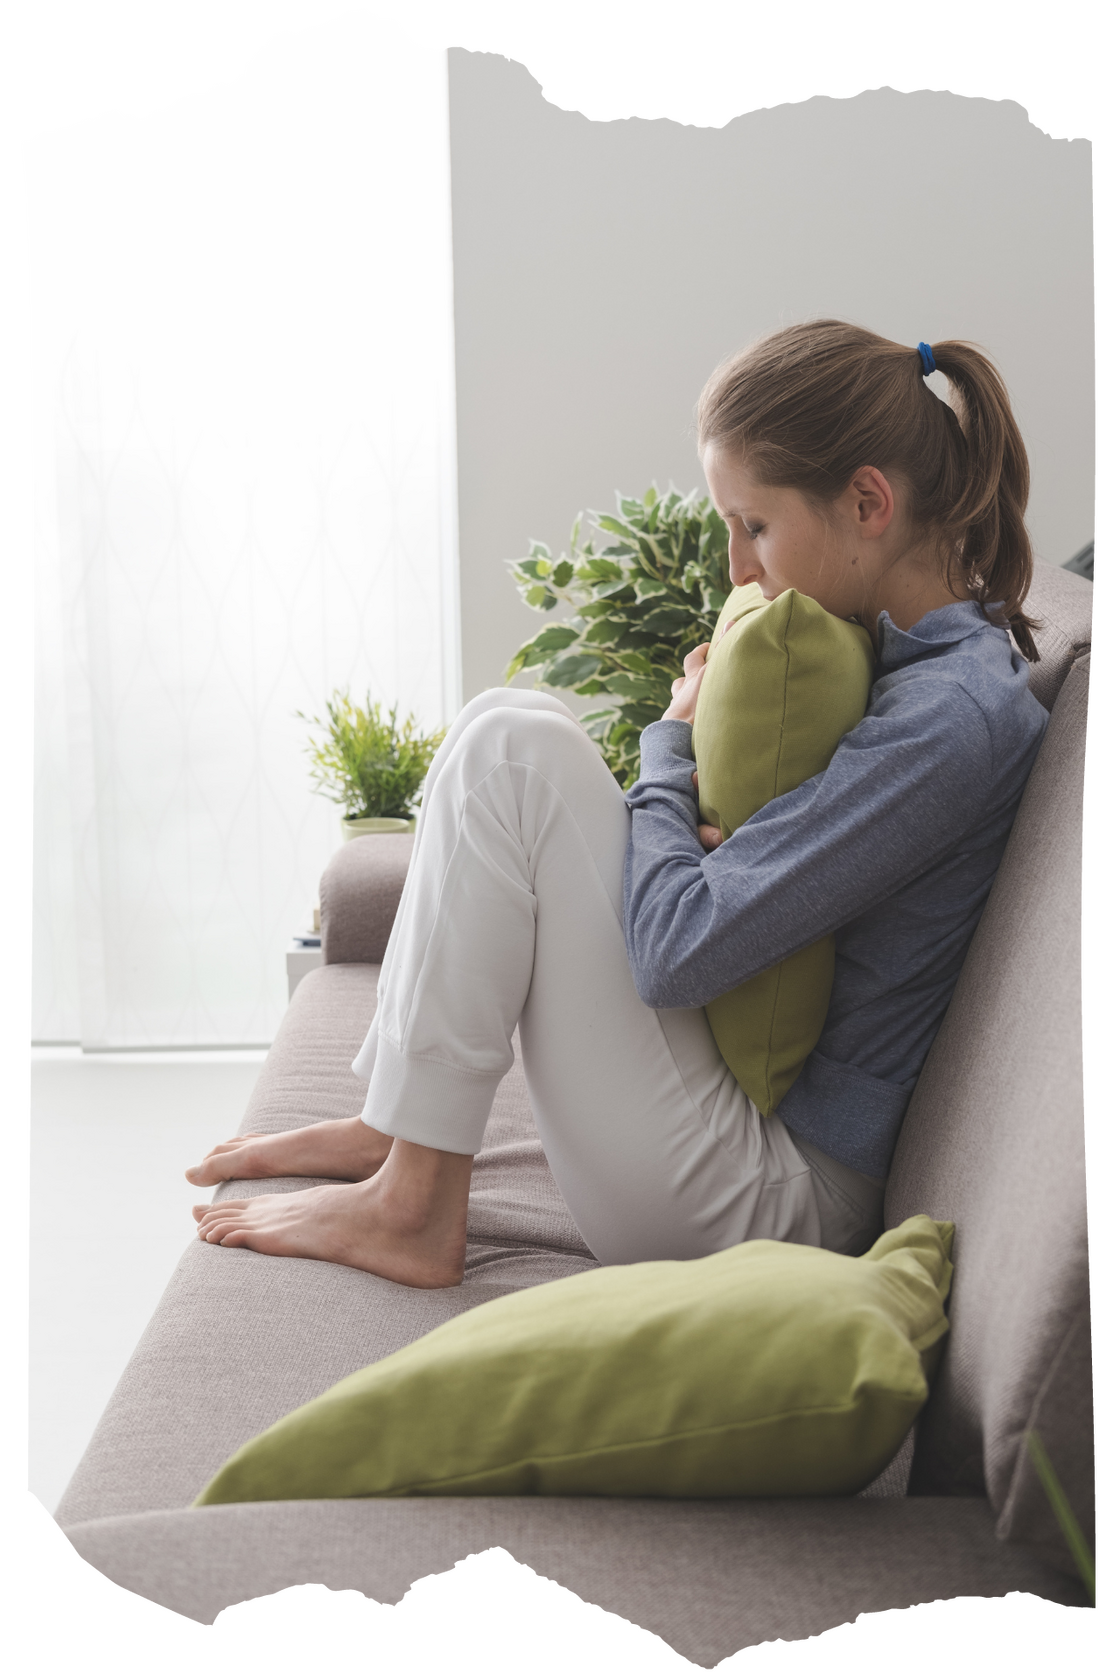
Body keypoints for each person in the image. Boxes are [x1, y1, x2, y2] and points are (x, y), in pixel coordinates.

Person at [189, 321, 1049, 1287]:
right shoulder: (904, 664)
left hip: (781, 1202)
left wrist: (672, 746)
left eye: (754, 526)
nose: (737, 569)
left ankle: (415, 1205)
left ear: (866, 502)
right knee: (507, 723)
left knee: (517, 758)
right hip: (744, 1141)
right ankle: (403, 1130)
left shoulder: (948, 722)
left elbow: (679, 949)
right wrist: (712, 840)